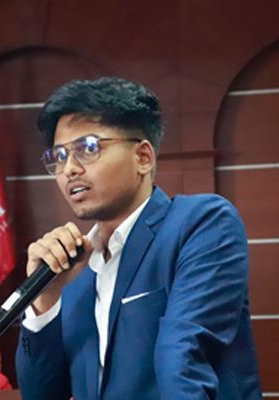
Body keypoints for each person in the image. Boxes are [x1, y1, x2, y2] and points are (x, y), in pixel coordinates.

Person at [15, 77, 262, 399]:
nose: (69, 169)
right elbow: (41, 394)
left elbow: (182, 356)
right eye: (59, 156)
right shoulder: (73, 271)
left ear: (143, 157)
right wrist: (45, 299)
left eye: (88, 148)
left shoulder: (200, 223)